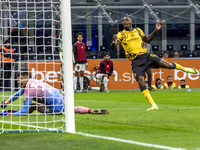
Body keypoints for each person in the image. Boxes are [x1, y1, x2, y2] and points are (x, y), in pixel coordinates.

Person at [110, 16, 198, 110]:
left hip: (145, 56)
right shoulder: (121, 34)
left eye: (127, 20)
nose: (125, 22)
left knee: (167, 65)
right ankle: (154, 105)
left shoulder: (138, 31)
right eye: (123, 21)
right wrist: (114, 43)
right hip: (135, 61)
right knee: (141, 81)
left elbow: (147, 40)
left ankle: (186, 69)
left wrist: (156, 29)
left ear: (131, 22)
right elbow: (113, 47)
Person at [0, 70, 110, 116]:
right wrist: (7, 101)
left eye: (19, 79)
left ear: (25, 78)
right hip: (62, 98)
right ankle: (90, 110)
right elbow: (18, 93)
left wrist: (9, 114)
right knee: (71, 109)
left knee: (32, 105)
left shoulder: (30, 90)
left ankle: (14, 111)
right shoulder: (33, 81)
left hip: (54, 109)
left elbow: (24, 111)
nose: (18, 82)